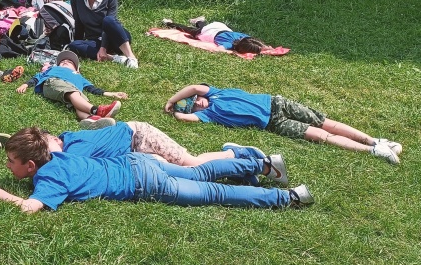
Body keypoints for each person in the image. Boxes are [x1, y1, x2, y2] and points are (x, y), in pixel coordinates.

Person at [0, 126, 313, 213]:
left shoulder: (49, 178)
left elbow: (29, 207)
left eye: (11, 162)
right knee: (202, 172)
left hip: (145, 184)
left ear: (31, 166)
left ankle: (288, 198)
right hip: (140, 161)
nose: (7, 166)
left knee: (215, 192)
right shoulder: (59, 157)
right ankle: (261, 163)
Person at [165, 84, 403, 164]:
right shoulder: (210, 115)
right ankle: (373, 150)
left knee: (326, 123)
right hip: (274, 122)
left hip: (278, 103)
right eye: (194, 107)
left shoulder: (216, 93)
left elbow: (193, 87)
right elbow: (183, 118)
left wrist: (171, 100)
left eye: (196, 100)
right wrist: (176, 110)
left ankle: (375, 140)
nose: (199, 104)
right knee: (321, 136)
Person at [67, 117, 277, 171]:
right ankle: (238, 172)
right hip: (133, 151)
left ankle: (235, 153)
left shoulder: (70, 148)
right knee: (178, 171)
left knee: (192, 165)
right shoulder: (67, 141)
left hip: (141, 135)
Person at [15, 50, 127, 121]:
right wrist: (25, 84)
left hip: (75, 92)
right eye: (62, 61)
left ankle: (93, 121)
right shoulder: (52, 69)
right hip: (54, 82)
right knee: (74, 94)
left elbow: (92, 89)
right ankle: (97, 110)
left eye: (69, 62)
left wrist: (112, 94)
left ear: (77, 70)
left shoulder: (79, 76)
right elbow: (36, 78)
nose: (65, 61)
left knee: (81, 104)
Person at [69, 0, 139, 68]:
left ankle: (131, 57)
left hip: (115, 37)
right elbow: (78, 23)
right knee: (74, 45)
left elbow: (110, 23)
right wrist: (77, 44)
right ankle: (113, 58)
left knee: (108, 20)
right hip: (94, 40)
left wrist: (103, 47)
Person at [161, 16, 270, 55]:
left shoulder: (244, 37)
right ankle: (169, 23)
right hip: (210, 32)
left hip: (220, 26)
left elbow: (255, 43)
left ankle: (199, 21)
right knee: (191, 31)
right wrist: (231, 52)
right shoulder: (229, 44)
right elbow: (219, 50)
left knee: (202, 27)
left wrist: (266, 48)